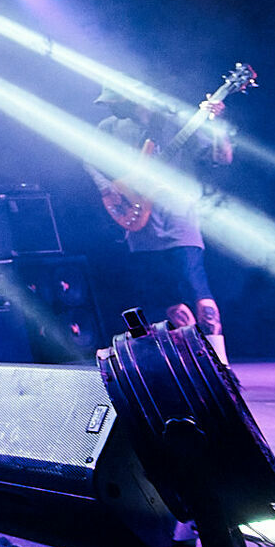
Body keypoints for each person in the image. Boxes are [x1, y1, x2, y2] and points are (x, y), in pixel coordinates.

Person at [86, 86, 234, 364]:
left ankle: (222, 365)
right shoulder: (108, 127)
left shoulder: (175, 123)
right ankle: (198, 364)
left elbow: (222, 158)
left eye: (114, 103)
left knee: (196, 286)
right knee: (167, 299)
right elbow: (89, 160)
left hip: (179, 214)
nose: (110, 109)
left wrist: (219, 125)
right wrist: (108, 188)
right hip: (141, 220)